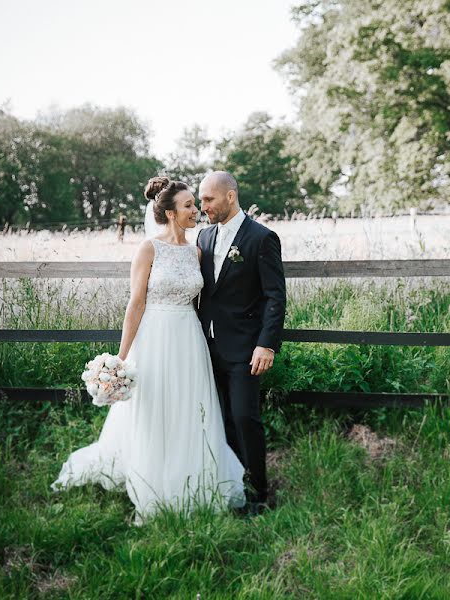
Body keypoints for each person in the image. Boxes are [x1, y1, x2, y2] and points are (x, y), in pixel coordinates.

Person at [51, 176, 246, 523]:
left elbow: (205, 302)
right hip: (154, 337)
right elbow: (135, 303)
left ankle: (194, 478)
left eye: (195, 205)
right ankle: (152, 481)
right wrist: (120, 358)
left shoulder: (197, 250)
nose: (196, 212)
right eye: (188, 206)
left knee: (190, 406)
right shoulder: (148, 249)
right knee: (154, 406)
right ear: (170, 213)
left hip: (188, 339)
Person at [196, 171, 286, 516]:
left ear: (230, 196)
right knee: (220, 419)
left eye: (209, 199)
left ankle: (259, 493)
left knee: (245, 417)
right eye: (201, 200)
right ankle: (231, 487)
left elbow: (275, 297)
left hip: (247, 349)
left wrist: (267, 344)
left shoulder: (262, 238)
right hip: (206, 346)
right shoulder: (204, 237)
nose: (204, 207)